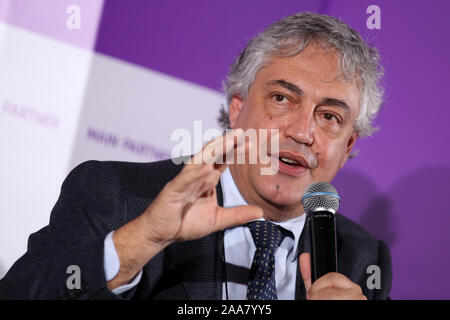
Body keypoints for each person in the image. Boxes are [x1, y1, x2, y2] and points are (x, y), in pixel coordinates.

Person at [0, 12, 391, 300]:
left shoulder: (360, 258)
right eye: (281, 98)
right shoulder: (115, 196)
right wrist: (142, 239)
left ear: (349, 146)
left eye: (329, 117)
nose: (303, 132)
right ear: (237, 108)